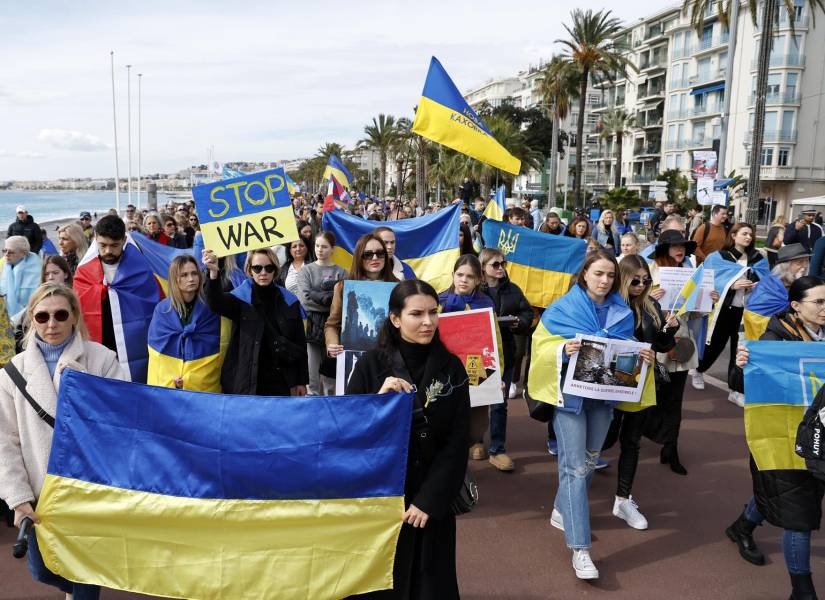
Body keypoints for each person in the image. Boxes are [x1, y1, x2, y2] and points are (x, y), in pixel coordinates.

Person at [0, 283, 126, 600]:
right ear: (31, 318)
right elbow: (5, 441)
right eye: (42, 316)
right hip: (43, 492)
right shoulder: (12, 373)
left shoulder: (102, 359)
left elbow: (122, 421)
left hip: (91, 487)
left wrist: (82, 383)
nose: (51, 323)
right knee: (41, 570)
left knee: (84, 574)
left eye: (60, 314)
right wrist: (18, 498)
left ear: (74, 316)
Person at [345, 279, 469, 599]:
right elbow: (350, 431)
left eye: (433, 312)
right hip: (384, 497)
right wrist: (378, 400)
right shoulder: (371, 364)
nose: (428, 322)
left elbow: (457, 443)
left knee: (430, 580)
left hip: (430, 498)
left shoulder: (452, 368)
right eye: (416, 314)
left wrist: (429, 499)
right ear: (396, 318)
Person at [530, 248, 634, 579]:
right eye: (599, 273)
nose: (604, 280)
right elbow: (540, 345)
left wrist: (638, 359)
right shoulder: (563, 308)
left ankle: (562, 508)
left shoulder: (624, 312)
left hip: (603, 399)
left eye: (610, 275)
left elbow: (626, 354)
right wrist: (562, 348)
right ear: (585, 273)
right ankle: (581, 549)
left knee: (589, 461)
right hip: (569, 399)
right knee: (575, 468)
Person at [730, 276, 825, 600]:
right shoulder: (774, 338)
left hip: (819, 436)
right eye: (819, 303)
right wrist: (742, 366)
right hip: (783, 438)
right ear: (796, 307)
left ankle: (742, 526)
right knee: (799, 514)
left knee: (784, 494)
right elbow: (741, 383)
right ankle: (802, 590)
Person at [603, 256, 678, 529]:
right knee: (602, 440)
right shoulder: (609, 305)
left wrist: (670, 331)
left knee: (632, 442)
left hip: (642, 382)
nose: (641, 284)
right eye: (635, 279)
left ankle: (623, 499)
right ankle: (572, 493)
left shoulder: (652, 305)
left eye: (646, 280)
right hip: (610, 383)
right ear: (622, 277)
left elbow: (658, 344)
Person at [647, 230, 716, 475]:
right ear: (664, 248)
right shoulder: (650, 272)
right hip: (656, 345)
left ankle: (671, 447)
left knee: (675, 400)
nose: (679, 249)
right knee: (652, 396)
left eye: (682, 246)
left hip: (683, 344)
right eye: (674, 245)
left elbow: (695, 313)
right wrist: (649, 297)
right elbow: (631, 304)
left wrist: (708, 301)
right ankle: (645, 434)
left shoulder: (692, 275)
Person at [204, 247, 308, 396]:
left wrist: (300, 381)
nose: (263, 273)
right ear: (249, 270)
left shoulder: (290, 300)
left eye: (269, 268)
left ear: (276, 270)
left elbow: (300, 342)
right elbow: (215, 302)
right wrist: (213, 273)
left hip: (280, 381)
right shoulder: (240, 297)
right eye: (257, 268)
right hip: (246, 380)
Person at [73, 215, 160, 383]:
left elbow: (152, 306)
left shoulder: (140, 268)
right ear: (95, 239)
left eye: (114, 246)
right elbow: (77, 307)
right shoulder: (84, 271)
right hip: (101, 337)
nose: (108, 251)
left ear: (124, 240)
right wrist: (101, 291)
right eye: (103, 245)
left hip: (134, 341)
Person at [437, 255, 497, 462]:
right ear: (453, 275)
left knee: (477, 406)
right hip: (446, 362)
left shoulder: (486, 302)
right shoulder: (439, 300)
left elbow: (493, 339)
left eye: (469, 276)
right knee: (446, 406)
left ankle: (476, 441)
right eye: (460, 275)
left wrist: (497, 377)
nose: (463, 280)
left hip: (475, 361)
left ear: (478, 280)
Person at [692, 223, 764, 394]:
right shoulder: (719, 257)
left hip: (748, 311)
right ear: (733, 235)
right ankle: (698, 370)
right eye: (744, 233)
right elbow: (708, 279)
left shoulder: (758, 258)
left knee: (740, 350)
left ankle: (736, 389)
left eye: (750, 234)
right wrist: (732, 284)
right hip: (725, 309)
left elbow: (767, 279)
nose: (748, 237)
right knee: (714, 345)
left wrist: (757, 285)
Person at [479, 248, 532, 471]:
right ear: (483, 267)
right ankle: (476, 441)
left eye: (503, 264)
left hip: (506, 354)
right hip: (479, 355)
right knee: (478, 401)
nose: (501, 268)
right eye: (495, 264)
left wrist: (518, 322)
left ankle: (497, 450)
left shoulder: (513, 289)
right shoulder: (473, 290)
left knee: (500, 404)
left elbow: (527, 313)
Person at [148, 255, 222, 392]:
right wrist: (171, 379)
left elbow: (214, 351)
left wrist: (190, 380)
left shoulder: (210, 308)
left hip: (203, 386)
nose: (191, 279)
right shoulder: (162, 310)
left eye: (194, 273)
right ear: (175, 279)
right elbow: (156, 353)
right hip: (169, 384)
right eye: (184, 275)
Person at [325, 234, 399, 361]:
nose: (375, 258)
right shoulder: (343, 287)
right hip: (355, 360)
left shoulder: (400, 287)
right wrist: (332, 344)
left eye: (380, 253)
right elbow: (332, 325)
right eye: (368, 254)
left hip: (392, 358)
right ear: (359, 257)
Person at [296, 231, 347, 396]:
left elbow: (344, 301)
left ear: (332, 249)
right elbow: (304, 299)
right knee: (313, 374)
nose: (320, 249)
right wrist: (330, 301)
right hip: (313, 323)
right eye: (317, 246)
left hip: (335, 324)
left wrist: (317, 295)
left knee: (332, 374)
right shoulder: (307, 271)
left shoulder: (343, 272)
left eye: (324, 246)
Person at [0, 236, 41, 324]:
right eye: (4, 250)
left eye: (10, 252)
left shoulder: (37, 269)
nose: (6, 254)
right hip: (5, 319)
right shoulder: (4, 265)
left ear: (24, 253)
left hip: (30, 320)